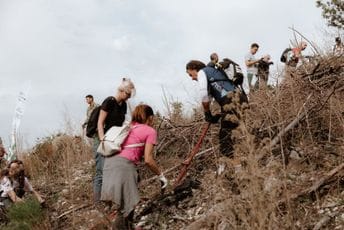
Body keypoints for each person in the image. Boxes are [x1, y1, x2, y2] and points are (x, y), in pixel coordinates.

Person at [101, 104, 168, 229]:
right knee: (126, 206)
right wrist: (161, 175)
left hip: (109, 164)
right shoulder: (150, 131)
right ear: (150, 117)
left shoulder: (128, 127)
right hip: (124, 166)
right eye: (152, 118)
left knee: (126, 204)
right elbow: (148, 159)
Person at [186, 60, 248, 157]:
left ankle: (232, 166)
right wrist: (212, 115)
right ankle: (240, 161)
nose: (192, 78)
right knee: (232, 133)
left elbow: (203, 94)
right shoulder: (215, 74)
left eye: (191, 75)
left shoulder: (203, 71)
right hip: (242, 99)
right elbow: (209, 98)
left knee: (225, 136)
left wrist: (207, 114)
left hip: (231, 100)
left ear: (195, 68)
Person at [94, 78, 136, 203]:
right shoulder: (109, 101)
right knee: (101, 170)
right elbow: (100, 123)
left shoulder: (123, 105)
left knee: (112, 169)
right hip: (102, 139)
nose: (128, 97)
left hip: (114, 140)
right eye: (128, 94)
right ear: (122, 91)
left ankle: (110, 199)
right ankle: (98, 203)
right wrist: (102, 140)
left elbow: (121, 123)